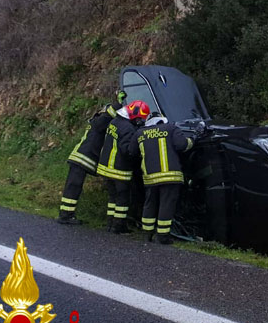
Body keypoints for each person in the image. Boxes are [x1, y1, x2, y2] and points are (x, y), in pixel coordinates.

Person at [57, 92, 126, 225]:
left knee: (73, 186)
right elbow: (108, 116)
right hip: (82, 158)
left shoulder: (95, 121)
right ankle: (65, 216)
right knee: (74, 187)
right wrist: (118, 104)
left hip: (80, 157)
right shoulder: (100, 121)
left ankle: (66, 214)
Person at [133, 112, 194, 244]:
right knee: (166, 204)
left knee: (150, 204)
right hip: (170, 176)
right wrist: (192, 140)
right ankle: (162, 236)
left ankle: (147, 234)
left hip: (150, 177)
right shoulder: (171, 128)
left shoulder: (140, 133)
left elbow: (132, 151)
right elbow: (182, 145)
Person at [97, 100, 149, 233]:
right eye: (140, 119)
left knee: (112, 197)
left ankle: (110, 223)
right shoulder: (128, 128)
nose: (140, 121)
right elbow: (127, 150)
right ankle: (119, 226)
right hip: (118, 170)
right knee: (122, 198)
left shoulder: (114, 122)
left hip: (106, 167)